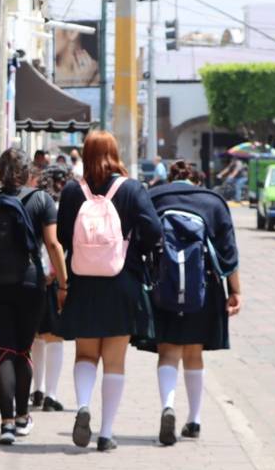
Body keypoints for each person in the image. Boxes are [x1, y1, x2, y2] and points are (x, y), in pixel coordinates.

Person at [56, 130, 163, 451]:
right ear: (115, 153)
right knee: (115, 362)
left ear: (85, 153)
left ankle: (83, 406)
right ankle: (105, 433)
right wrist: (131, 245)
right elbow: (154, 231)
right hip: (122, 282)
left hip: (83, 282)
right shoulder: (131, 189)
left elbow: (62, 236)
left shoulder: (73, 191)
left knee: (85, 354)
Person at [0, 149, 68, 445]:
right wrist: (64, 284)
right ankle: (23, 417)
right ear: (27, 173)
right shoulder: (42, 200)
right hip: (29, 283)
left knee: (2, 350)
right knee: (22, 351)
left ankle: (7, 424)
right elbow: (53, 244)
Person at [143, 161, 243, 445]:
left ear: (171, 178)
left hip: (164, 285)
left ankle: (168, 406)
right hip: (204, 287)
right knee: (193, 352)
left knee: (168, 351)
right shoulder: (213, 202)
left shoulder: (155, 197)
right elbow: (228, 252)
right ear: (197, 180)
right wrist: (235, 290)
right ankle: (195, 419)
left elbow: (141, 240)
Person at [31, 164, 71, 411]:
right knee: (55, 337)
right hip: (54, 277)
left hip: (32, 276)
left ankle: (38, 389)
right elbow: (56, 246)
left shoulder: (35, 204)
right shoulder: (59, 209)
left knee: (37, 336)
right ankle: (51, 395)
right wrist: (63, 282)